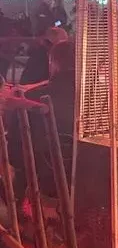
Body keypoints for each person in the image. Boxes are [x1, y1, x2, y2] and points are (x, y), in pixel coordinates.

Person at [24, 40, 76, 198]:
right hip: (87, 180)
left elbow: (16, 149)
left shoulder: (32, 98)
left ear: (53, 63)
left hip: (44, 182)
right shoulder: (100, 98)